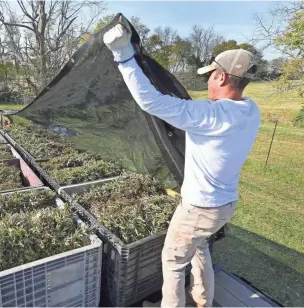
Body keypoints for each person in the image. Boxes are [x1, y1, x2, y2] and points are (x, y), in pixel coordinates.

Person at [103, 19, 260, 308]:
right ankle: (203, 301)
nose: (208, 82)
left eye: (210, 76)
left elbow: (151, 101)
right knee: (199, 247)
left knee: (173, 261)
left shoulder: (211, 115)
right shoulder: (251, 110)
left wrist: (124, 56)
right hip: (225, 205)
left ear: (223, 78)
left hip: (200, 207)